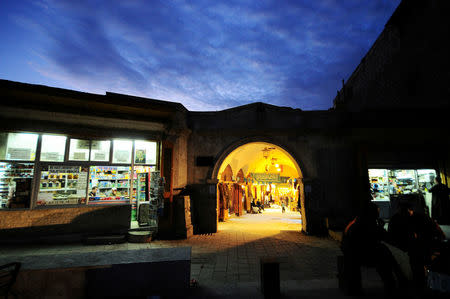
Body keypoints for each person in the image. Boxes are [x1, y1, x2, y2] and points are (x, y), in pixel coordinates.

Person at [341, 200, 405, 295]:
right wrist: (381, 227)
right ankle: (394, 284)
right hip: (363, 254)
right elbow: (384, 237)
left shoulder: (355, 222)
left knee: (384, 252)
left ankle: (395, 283)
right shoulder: (368, 224)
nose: (378, 213)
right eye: (377, 212)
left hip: (353, 253)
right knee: (386, 255)